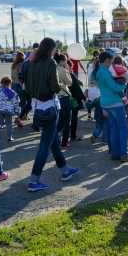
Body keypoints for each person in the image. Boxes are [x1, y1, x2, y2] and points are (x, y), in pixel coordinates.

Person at [25, 38, 79, 192]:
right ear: (51, 49)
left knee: (53, 139)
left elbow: (26, 87)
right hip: (49, 106)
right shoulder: (50, 63)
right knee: (45, 145)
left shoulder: (32, 63)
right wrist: (59, 85)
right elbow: (55, 86)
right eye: (55, 49)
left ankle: (65, 169)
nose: (56, 52)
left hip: (37, 106)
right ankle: (34, 180)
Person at [92, 51, 128, 162]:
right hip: (115, 102)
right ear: (107, 60)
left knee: (113, 127)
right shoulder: (105, 72)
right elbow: (115, 88)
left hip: (105, 102)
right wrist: (124, 84)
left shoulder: (97, 71)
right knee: (122, 127)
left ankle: (115, 153)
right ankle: (124, 154)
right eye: (110, 61)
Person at [0, 75, 22, 142]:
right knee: (9, 123)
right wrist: (18, 111)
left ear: (1, 81)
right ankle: (9, 137)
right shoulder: (12, 93)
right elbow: (15, 103)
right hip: (9, 110)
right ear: (9, 83)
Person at [54, 53, 75, 148]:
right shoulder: (62, 70)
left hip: (56, 97)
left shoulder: (52, 69)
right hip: (64, 96)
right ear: (61, 61)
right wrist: (68, 71)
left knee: (60, 120)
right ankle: (64, 142)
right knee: (66, 121)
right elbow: (69, 83)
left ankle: (53, 137)